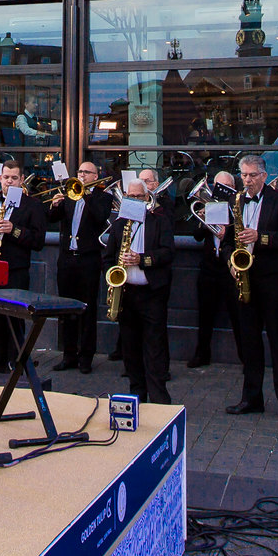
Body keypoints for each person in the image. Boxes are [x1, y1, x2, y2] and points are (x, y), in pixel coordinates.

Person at [225, 154, 278, 424]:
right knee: (249, 343)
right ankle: (251, 398)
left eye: (252, 176)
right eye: (243, 176)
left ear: (264, 176)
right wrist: (230, 262)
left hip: (274, 280)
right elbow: (226, 242)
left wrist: (261, 237)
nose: (247, 181)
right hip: (245, 279)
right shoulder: (235, 201)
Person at [0, 160, 48, 372]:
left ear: (21, 180)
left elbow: (38, 240)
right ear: (0, 178)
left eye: (14, 178)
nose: (9, 181)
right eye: (6, 177)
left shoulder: (32, 205)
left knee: (15, 320)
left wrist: (14, 230)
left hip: (15, 270)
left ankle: (16, 366)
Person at [108, 168, 173, 403]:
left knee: (154, 347)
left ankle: (158, 397)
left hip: (151, 292)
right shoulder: (118, 224)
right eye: (130, 197)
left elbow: (168, 252)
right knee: (130, 348)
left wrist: (142, 259)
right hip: (127, 293)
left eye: (139, 197)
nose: (134, 201)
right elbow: (108, 258)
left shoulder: (159, 220)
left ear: (147, 198)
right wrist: (112, 276)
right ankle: (137, 393)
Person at [51, 160, 114, 373]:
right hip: (67, 259)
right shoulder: (68, 195)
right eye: (80, 172)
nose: (82, 175)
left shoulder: (103, 197)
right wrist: (54, 204)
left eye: (87, 172)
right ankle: (68, 355)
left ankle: (86, 357)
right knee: (66, 308)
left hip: (88, 259)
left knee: (87, 309)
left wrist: (85, 195)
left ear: (96, 176)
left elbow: (100, 217)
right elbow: (50, 218)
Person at [186, 170, 237, 368]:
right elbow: (196, 236)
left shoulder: (237, 207)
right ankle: (201, 354)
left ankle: (245, 356)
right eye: (216, 187)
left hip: (230, 268)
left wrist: (228, 230)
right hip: (209, 268)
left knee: (238, 315)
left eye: (225, 187)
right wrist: (205, 221)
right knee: (205, 315)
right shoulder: (207, 207)